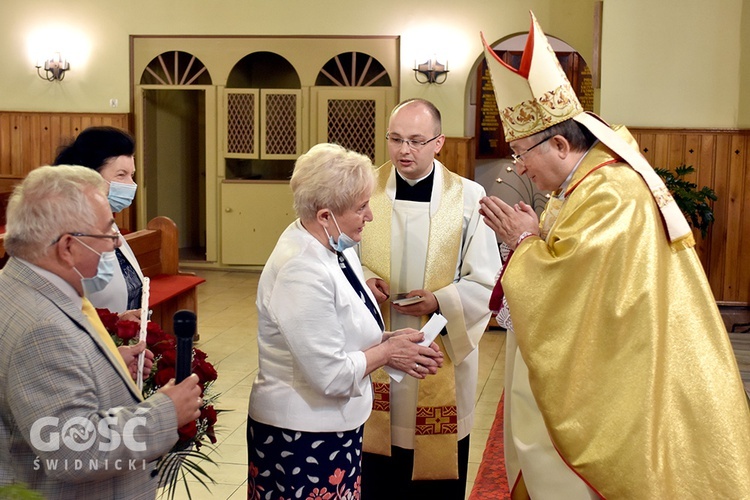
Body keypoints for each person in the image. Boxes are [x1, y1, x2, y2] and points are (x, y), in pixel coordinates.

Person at [479, 12, 750, 499]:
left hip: (630, 376)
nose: (519, 166)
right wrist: (538, 233)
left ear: (560, 143)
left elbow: (573, 286)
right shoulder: (586, 182)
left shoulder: (611, 191)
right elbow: (585, 267)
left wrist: (525, 243)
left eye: (523, 153)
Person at [246, 143, 443, 500]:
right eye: (361, 207)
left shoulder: (335, 245)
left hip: (332, 427)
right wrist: (387, 353)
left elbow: (343, 325)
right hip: (300, 435)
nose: (370, 216)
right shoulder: (300, 269)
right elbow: (331, 375)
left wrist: (390, 338)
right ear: (324, 215)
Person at [0, 165, 203, 498]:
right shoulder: (42, 329)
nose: (113, 245)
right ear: (67, 247)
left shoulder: (19, 288)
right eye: (108, 233)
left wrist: (108, 364)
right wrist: (166, 411)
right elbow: (72, 451)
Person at [359, 98, 500, 499]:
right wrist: (365, 281)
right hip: (377, 338)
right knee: (377, 474)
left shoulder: (469, 197)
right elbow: (341, 255)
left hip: (439, 345)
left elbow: (486, 281)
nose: (404, 150)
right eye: (396, 139)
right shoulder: (365, 188)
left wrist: (439, 301)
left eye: (416, 141)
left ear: (439, 143)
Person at [54, 126, 143, 321]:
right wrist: (114, 323)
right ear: (88, 176)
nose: (131, 184)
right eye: (121, 175)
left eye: (132, 175)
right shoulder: (67, 232)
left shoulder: (104, 219)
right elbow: (62, 311)